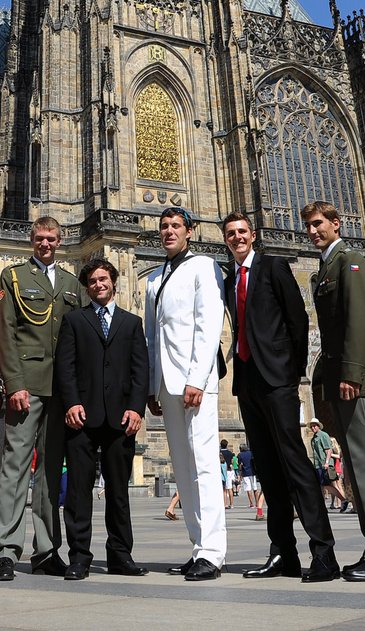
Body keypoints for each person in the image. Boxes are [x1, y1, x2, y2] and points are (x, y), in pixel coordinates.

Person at [223, 211, 339, 582]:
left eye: (242, 232)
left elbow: (298, 320)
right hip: (248, 381)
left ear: (252, 235)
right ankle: (283, 553)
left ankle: (323, 552)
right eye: (231, 233)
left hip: (277, 379)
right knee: (268, 471)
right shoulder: (230, 280)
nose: (237, 238)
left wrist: (293, 372)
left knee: (295, 463)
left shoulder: (273, 267)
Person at [304, 200, 365, 583]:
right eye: (309, 226)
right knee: (360, 468)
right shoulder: (328, 264)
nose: (313, 231)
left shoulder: (351, 260)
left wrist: (352, 374)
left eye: (318, 224)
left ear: (335, 223)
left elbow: (360, 320)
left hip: (357, 383)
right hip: (342, 380)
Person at [0, 216, 85, 582]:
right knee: (15, 466)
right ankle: (5, 550)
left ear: (59, 242)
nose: (46, 244)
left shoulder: (71, 284)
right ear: (32, 240)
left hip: (59, 391)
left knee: (49, 471)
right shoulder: (13, 277)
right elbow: (6, 332)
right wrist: (13, 384)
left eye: (51, 239)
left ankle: (46, 549)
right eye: (40, 238)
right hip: (26, 387)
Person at [55, 257, 149, 580]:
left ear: (113, 281)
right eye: (93, 281)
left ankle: (121, 554)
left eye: (103, 279)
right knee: (79, 492)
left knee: (119, 492)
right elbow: (64, 367)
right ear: (87, 287)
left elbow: (141, 371)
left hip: (121, 418)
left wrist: (137, 408)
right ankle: (79, 556)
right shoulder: (75, 321)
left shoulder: (131, 323)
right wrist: (71, 403)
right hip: (82, 416)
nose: (98, 285)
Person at [145, 206, 226, 582]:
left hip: (195, 384)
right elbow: (151, 336)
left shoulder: (204, 267)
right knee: (183, 468)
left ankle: (213, 550)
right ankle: (198, 548)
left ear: (189, 231)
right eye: (164, 226)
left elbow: (209, 325)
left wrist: (196, 378)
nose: (169, 231)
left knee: (205, 466)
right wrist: (151, 386)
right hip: (166, 384)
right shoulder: (155, 278)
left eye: (176, 226)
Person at [308, 419, 348, 509]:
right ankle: (323, 506)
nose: (313, 427)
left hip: (324, 464)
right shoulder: (314, 438)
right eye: (311, 426)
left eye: (314, 425)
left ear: (318, 426)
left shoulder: (323, 435)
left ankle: (343, 500)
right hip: (318, 464)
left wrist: (326, 462)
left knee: (326, 485)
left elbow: (328, 450)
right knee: (322, 486)